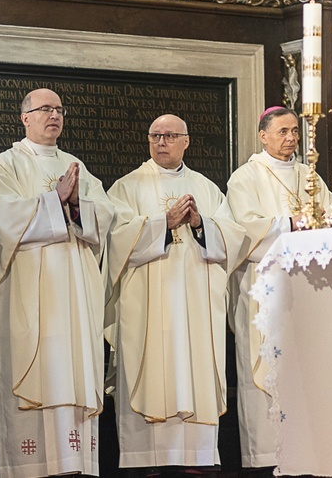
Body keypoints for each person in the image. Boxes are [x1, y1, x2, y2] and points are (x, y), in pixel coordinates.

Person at [0, 88, 115, 478]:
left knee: (71, 369)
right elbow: (3, 221)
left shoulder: (76, 165)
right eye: (44, 109)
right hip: (28, 293)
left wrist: (75, 205)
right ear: (25, 118)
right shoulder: (6, 164)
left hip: (73, 294)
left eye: (58, 110)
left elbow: (104, 215)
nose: (53, 116)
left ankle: (75, 464)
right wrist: (53, 200)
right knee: (32, 371)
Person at [106, 114, 245, 477]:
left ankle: (197, 457)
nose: (161, 141)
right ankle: (147, 458)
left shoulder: (207, 188)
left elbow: (234, 240)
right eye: (155, 135)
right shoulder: (126, 187)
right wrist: (161, 224)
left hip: (195, 307)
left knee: (193, 367)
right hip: (149, 307)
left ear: (186, 141)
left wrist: (200, 224)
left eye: (169, 135)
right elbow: (115, 241)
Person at [225, 106, 332, 470]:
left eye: (294, 132)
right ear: (264, 136)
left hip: (305, 287)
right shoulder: (245, 178)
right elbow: (242, 230)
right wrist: (291, 222)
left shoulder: (309, 176)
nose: (291, 138)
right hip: (263, 287)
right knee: (265, 371)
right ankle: (264, 459)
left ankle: (309, 452)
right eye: (283, 131)